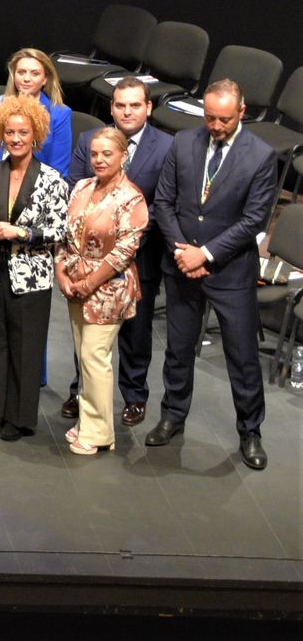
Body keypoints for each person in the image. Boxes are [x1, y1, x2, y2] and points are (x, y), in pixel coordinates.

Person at [146, 79, 278, 471]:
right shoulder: (183, 142)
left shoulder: (261, 156)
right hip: (182, 263)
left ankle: (250, 431)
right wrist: (181, 251)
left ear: (242, 113)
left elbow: (254, 219)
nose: (216, 126)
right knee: (178, 348)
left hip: (231, 271)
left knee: (242, 356)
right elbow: (164, 203)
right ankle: (173, 414)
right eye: (209, 118)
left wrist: (205, 253)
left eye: (224, 119)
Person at [61, 76, 171, 426]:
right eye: (120, 105)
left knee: (136, 335)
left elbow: (162, 203)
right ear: (111, 107)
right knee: (87, 333)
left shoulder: (167, 147)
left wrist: (130, 237)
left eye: (135, 105)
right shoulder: (89, 140)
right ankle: (83, 391)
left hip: (141, 256)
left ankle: (134, 396)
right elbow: (76, 191)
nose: (127, 111)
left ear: (148, 108)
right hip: (88, 259)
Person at [0, 94, 68, 441]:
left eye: (23, 132)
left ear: (36, 134)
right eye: (9, 132)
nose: (15, 139)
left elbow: (59, 229)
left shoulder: (53, 179)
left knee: (24, 347)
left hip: (30, 275)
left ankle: (18, 417)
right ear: (0, 134)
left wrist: (21, 232)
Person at [56, 127, 148, 455]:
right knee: (85, 357)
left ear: (124, 156)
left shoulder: (131, 197)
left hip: (109, 291)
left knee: (95, 357)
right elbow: (64, 235)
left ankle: (97, 433)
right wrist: (62, 275)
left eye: (107, 154)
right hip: (75, 285)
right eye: (95, 153)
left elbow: (125, 251)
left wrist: (89, 283)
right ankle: (90, 422)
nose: (99, 159)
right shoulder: (81, 187)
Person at [0, 47, 72, 172]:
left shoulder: (60, 113)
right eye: (21, 72)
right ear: (14, 75)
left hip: (39, 184)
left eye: (35, 73)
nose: (26, 79)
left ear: (45, 79)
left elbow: (59, 168)